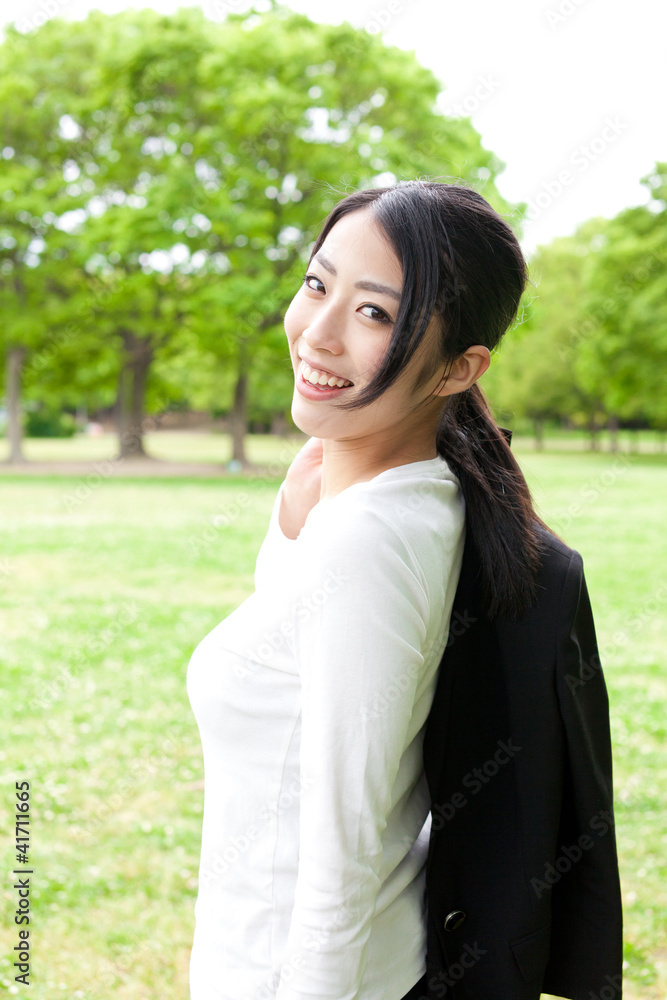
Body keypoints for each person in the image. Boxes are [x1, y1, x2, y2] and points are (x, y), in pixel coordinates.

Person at [186, 180, 621, 1000]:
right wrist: (292, 526)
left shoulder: (366, 539)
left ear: (460, 368)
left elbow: (339, 858)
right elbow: (302, 685)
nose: (316, 333)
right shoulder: (424, 495)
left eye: (374, 314)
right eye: (318, 285)